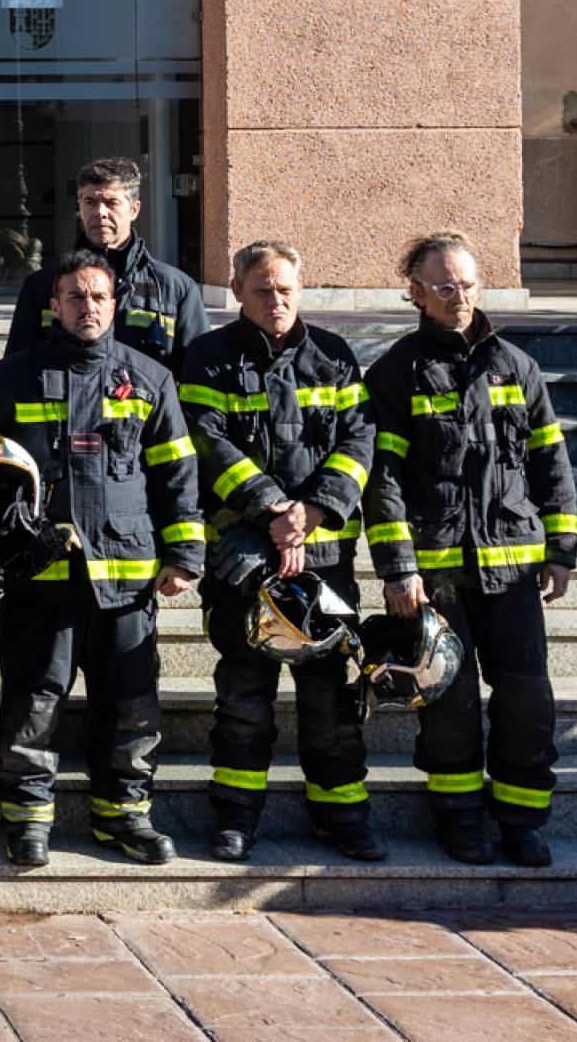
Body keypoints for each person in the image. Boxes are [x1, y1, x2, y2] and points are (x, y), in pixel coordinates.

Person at [0, 248, 203, 869]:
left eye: (98, 296)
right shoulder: (12, 376)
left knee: (131, 710)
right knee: (32, 705)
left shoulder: (150, 379)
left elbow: (177, 473)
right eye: (75, 296)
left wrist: (184, 553)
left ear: (114, 303)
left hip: (127, 583)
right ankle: (27, 823)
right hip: (41, 581)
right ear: (54, 306)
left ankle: (123, 819)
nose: (87, 306)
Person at [363, 231, 577, 868]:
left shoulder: (516, 366)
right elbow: (385, 483)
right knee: (450, 702)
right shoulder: (396, 371)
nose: (458, 296)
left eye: (467, 284)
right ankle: (459, 819)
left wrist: (561, 547)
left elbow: (551, 462)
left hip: (514, 568)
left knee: (527, 699)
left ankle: (520, 820)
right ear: (416, 293)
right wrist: (398, 571)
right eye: (443, 286)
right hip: (438, 574)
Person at [180, 239, 382, 865]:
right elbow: (205, 443)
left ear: (302, 287)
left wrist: (315, 509)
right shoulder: (207, 358)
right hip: (245, 559)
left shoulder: (335, 356)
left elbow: (361, 439)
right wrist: (273, 508)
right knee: (244, 696)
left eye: (286, 288)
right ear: (237, 291)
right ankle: (236, 818)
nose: (276, 299)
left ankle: (342, 814)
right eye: (262, 289)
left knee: (332, 696)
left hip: (323, 558)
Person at [4, 157, 205, 373]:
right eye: (90, 202)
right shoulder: (42, 285)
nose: (100, 212)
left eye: (111, 202)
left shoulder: (175, 289)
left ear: (134, 210)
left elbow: (198, 375)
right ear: (80, 207)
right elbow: (15, 370)